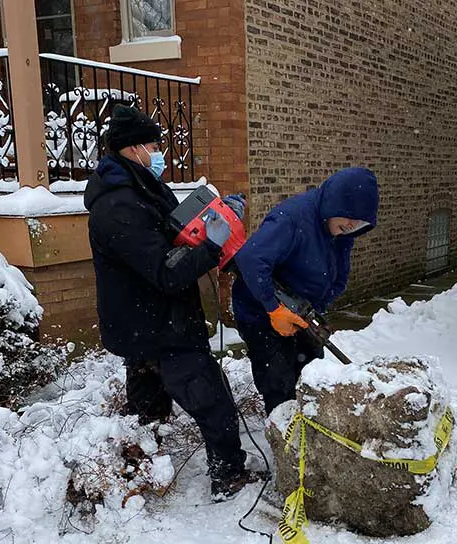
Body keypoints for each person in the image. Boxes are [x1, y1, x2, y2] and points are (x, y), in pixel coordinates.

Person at [84, 105, 261, 500]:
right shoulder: (118, 206)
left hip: (146, 322)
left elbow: (174, 227)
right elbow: (165, 269)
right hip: (159, 326)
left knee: (148, 409)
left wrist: (214, 214)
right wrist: (212, 246)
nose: (158, 152)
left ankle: (139, 474)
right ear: (130, 149)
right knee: (212, 400)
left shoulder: (139, 186)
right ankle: (228, 475)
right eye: (152, 144)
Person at [230, 167, 379, 413]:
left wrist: (316, 311)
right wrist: (273, 308)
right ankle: (285, 433)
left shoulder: (341, 229)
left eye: (358, 223)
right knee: (278, 377)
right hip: (261, 312)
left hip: (300, 310)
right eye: (348, 219)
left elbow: (337, 275)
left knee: (311, 369)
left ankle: (307, 422)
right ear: (335, 203)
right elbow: (251, 259)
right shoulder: (293, 218)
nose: (352, 226)